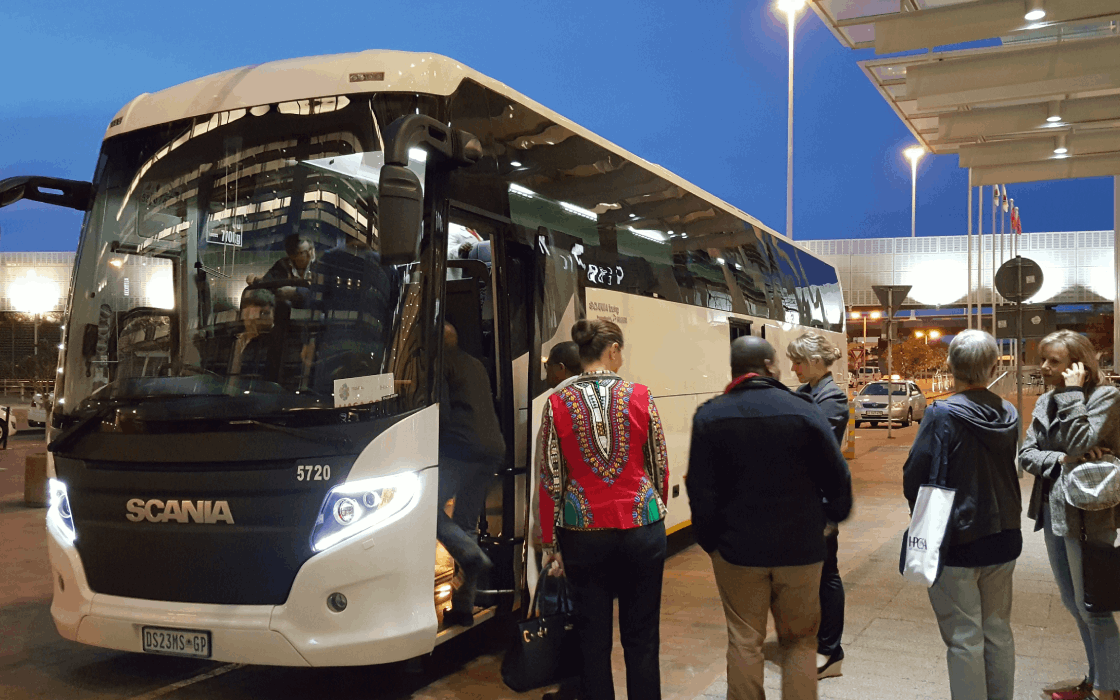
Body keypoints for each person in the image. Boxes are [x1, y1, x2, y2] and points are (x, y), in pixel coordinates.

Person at [687, 336, 852, 700]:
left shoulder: (710, 415)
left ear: (733, 370)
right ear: (770, 367)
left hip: (738, 552)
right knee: (799, 643)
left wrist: (711, 542)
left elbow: (700, 490)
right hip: (801, 550)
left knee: (745, 641)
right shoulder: (805, 409)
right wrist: (828, 519)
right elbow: (838, 477)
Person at [537, 319, 669, 700]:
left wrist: (551, 543)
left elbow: (551, 479)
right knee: (642, 638)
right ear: (612, 350)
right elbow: (659, 465)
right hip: (642, 527)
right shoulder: (641, 396)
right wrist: (653, 506)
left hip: (583, 534)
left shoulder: (558, 403)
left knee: (592, 641)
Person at [902, 330, 1022, 700]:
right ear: (991, 367)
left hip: (957, 538)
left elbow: (915, 475)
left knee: (964, 638)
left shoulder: (941, 414)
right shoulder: (1009, 412)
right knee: (997, 630)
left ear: (951, 366)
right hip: (1004, 536)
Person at [1020, 330, 1120, 700]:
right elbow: (1026, 454)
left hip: (1090, 514)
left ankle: (1108, 689)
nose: (1044, 367)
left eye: (1054, 361)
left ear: (1079, 365)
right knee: (1073, 603)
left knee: (1093, 605)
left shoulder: (1105, 396)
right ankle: (1098, 679)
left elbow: (1081, 441)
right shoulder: (1046, 400)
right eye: (1043, 359)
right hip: (1052, 510)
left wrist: (1074, 396)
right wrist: (1061, 459)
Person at [786, 332, 848, 680]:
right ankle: (817, 645)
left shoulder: (832, 398)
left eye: (797, 361)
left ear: (815, 362)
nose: (792, 368)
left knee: (826, 575)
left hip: (821, 503)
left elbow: (809, 445)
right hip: (803, 501)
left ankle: (830, 649)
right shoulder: (806, 393)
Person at [438, 321, 504, 628]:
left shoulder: (439, 364)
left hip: (461, 449)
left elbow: (442, 415)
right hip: (492, 448)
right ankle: (463, 608)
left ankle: (469, 553)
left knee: (423, 509)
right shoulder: (476, 363)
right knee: (466, 523)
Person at [248, 234, 315, 307]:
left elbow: (322, 295)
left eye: (310, 249)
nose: (310, 254)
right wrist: (256, 280)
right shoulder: (282, 265)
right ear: (292, 255)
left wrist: (296, 292)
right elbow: (267, 284)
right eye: (303, 252)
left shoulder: (320, 268)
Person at [229, 288, 275, 378]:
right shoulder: (234, 339)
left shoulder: (275, 341)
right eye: (248, 313)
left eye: (265, 313)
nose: (254, 319)